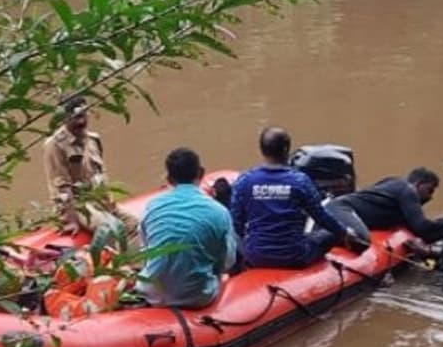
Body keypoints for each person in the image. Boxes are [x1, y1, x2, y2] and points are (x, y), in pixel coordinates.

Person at [229, 126, 354, 268]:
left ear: (261, 149)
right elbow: (321, 217)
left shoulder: (245, 180)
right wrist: (344, 233)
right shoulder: (300, 181)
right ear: (287, 149)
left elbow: (236, 224)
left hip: (256, 256)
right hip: (294, 256)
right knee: (328, 235)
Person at [135, 148, 237, 309]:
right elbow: (228, 262)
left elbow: (145, 253)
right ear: (201, 173)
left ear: (168, 178)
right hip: (196, 296)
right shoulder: (219, 212)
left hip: (152, 293)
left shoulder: (151, 207)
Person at [42, 99, 136, 237]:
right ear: (64, 119)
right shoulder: (55, 145)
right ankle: (111, 256)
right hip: (78, 204)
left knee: (134, 223)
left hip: (99, 200)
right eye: (75, 118)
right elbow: (60, 185)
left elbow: (101, 173)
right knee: (107, 229)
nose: (81, 121)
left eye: (83, 115)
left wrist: (111, 205)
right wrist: (70, 220)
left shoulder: (93, 139)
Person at [325, 166, 443, 245]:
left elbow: (425, 235)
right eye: (429, 190)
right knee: (362, 239)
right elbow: (422, 226)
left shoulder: (399, 195)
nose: (430, 197)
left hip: (343, 209)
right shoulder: (407, 190)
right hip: (343, 209)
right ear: (419, 184)